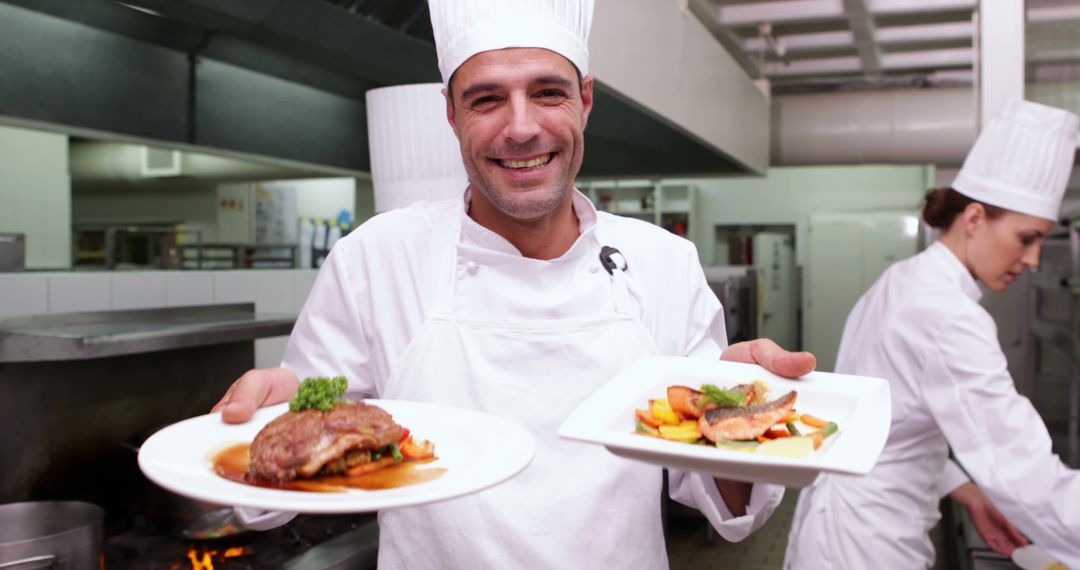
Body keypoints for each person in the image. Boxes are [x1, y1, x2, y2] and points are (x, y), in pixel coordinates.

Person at [212, 0, 817, 567]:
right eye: (487, 99)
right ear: (451, 113)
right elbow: (272, 496)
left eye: (547, 92)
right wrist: (258, 420)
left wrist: (741, 407)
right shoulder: (374, 260)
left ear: (585, 99)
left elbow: (725, 502)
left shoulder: (663, 264)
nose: (521, 128)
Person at [785, 98, 1080, 569]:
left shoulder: (904, 279)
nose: (1034, 260)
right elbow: (1019, 465)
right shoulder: (946, 313)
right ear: (976, 218)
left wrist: (964, 490)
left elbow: (887, 420)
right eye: (1027, 238)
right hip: (869, 542)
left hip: (845, 522)